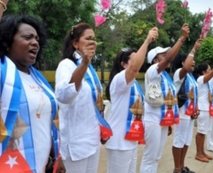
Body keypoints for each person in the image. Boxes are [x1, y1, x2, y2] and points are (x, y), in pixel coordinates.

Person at [0, 15, 65, 173]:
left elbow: (46, 122)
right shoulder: (3, 73)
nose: (35, 42)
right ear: (8, 42)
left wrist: (57, 156)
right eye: (27, 37)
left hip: (42, 165)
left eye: (37, 38)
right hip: (12, 166)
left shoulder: (38, 78)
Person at [55, 23, 111, 173]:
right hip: (76, 143)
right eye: (88, 39)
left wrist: (102, 129)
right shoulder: (67, 65)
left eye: (94, 39)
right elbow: (63, 96)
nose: (93, 42)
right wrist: (85, 62)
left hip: (92, 139)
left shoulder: (91, 69)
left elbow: (95, 103)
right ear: (75, 44)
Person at [105, 27, 158, 173]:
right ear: (123, 64)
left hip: (131, 139)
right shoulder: (119, 79)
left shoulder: (134, 83)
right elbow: (134, 68)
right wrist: (147, 41)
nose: (138, 62)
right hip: (119, 142)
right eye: (134, 59)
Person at [140, 23, 190, 173]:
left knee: (157, 156)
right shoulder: (152, 70)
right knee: (150, 156)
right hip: (152, 119)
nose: (168, 56)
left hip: (161, 120)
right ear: (155, 60)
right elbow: (168, 59)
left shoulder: (165, 76)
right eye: (163, 55)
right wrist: (182, 38)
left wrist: (167, 123)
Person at [171, 39, 202, 173]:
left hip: (190, 114)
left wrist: (196, 109)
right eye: (190, 60)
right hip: (182, 113)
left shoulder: (191, 77)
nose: (193, 62)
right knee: (179, 139)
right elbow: (186, 68)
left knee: (186, 140)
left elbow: (194, 95)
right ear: (183, 63)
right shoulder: (180, 74)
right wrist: (193, 49)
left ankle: (182, 166)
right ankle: (177, 168)